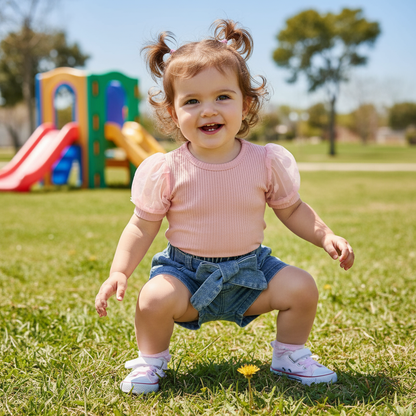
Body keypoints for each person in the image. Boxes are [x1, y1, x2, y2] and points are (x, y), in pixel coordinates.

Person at [95, 19, 354, 395]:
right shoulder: (166, 169)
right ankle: (151, 361)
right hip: (186, 277)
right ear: (173, 111)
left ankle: (289, 355)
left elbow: (293, 209)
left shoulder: (265, 161)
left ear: (245, 103)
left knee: (302, 287)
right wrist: (120, 271)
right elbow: (141, 225)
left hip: (251, 273)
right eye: (192, 101)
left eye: (222, 97)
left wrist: (326, 234)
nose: (208, 110)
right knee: (152, 298)